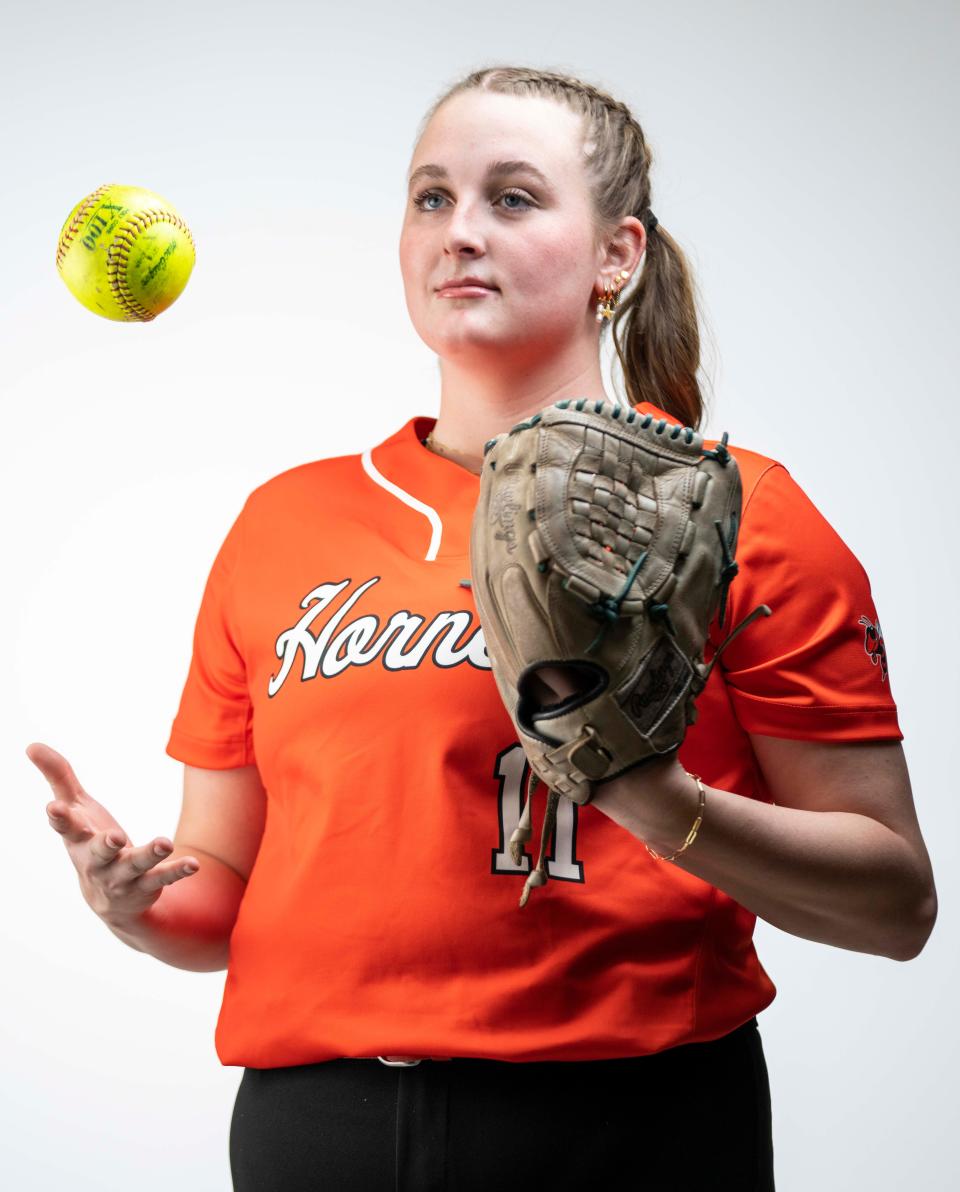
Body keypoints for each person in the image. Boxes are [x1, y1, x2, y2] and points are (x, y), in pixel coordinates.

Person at [31, 65, 937, 1192]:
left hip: (629, 1124)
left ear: (619, 254)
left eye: (512, 198)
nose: (460, 231)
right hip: (319, 1129)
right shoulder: (284, 521)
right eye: (431, 197)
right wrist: (135, 901)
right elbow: (221, 885)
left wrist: (657, 801)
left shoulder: (731, 509)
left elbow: (895, 903)